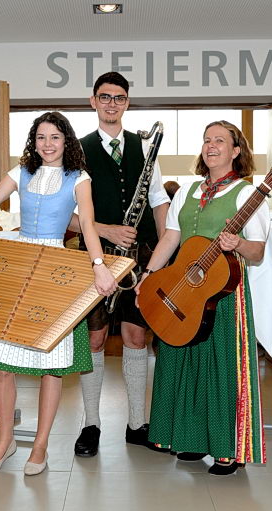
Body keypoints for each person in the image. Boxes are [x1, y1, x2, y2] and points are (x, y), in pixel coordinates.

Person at [0, 111, 116, 476]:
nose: (47, 144)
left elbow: (87, 224)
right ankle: (4, 441)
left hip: (55, 269)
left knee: (52, 365)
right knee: (2, 363)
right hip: (20, 265)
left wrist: (99, 265)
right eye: (41, 137)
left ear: (66, 141)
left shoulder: (79, 177)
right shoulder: (20, 172)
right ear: (33, 142)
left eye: (54, 137)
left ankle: (40, 446)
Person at [135, 120, 269, 475]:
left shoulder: (247, 194)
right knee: (183, 364)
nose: (211, 146)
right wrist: (148, 275)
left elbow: (257, 251)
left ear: (236, 150)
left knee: (221, 369)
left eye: (220, 141)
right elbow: (170, 238)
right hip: (182, 289)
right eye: (207, 140)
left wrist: (238, 243)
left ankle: (227, 448)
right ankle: (191, 439)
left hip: (223, 295)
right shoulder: (187, 190)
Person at [69, 71, 171, 458]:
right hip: (95, 256)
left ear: (127, 103)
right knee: (94, 339)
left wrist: (164, 254)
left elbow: (158, 201)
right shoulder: (75, 150)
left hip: (140, 256)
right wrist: (105, 229)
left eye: (119, 98)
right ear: (93, 101)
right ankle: (91, 424)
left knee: (136, 337)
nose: (112, 104)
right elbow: (65, 214)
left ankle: (136, 424)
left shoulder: (145, 147)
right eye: (105, 97)